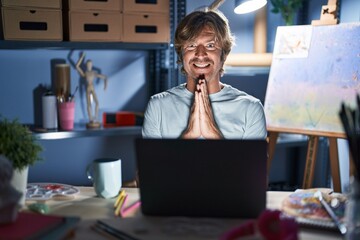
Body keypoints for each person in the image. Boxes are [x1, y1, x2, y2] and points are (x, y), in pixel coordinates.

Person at [142, 9, 267, 139]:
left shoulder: (251, 109)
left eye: (210, 45)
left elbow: (250, 160)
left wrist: (213, 133)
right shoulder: (158, 106)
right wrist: (189, 135)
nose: (200, 54)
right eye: (191, 45)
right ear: (181, 54)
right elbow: (154, 160)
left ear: (223, 55)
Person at [76, 53, 108, 128]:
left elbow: (105, 77)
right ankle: (91, 118)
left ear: (92, 65)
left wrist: (105, 85)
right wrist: (81, 57)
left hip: (92, 88)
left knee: (97, 103)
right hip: (88, 89)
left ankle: (95, 118)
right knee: (89, 104)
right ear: (86, 65)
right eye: (88, 64)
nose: (89, 66)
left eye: (90, 64)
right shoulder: (85, 73)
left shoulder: (93, 73)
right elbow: (77, 66)